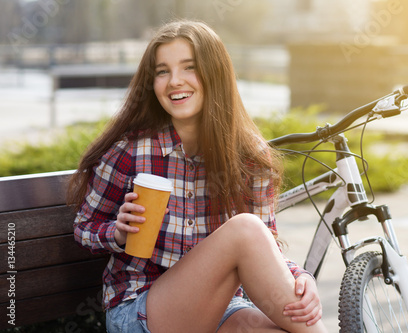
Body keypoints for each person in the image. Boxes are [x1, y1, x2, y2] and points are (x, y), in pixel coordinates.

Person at [69, 19, 327, 333]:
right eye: (162, 71)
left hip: (222, 308)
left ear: (214, 74)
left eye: (188, 67)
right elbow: (85, 229)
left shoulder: (249, 156)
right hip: (140, 309)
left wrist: (300, 279)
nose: (174, 81)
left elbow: (264, 247)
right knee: (245, 228)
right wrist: (118, 232)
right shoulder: (133, 152)